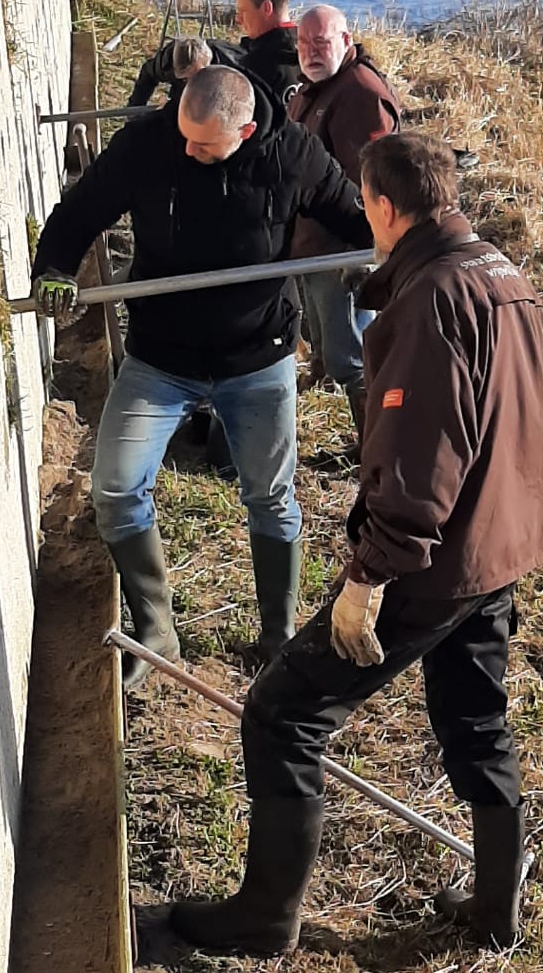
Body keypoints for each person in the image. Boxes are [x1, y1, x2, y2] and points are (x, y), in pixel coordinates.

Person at [167, 132, 543, 958]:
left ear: (384, 207)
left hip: (437, 556)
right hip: (501, 544)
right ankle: (495, 907)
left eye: (366, 204)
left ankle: (264, 917)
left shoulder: (426, 302)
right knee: (476, 716)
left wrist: (370, 574)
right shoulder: (503, 274)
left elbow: (420, 454)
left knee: (283, 714)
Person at [29, 65, 371, 670]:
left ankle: (276, 635)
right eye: (183, 134)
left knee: (270, 495)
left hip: (258, 357)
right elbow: (78, 214)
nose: (186, 149)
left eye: (202, 144)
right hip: (161, 356)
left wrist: (372, 261)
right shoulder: (148, 145)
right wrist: (53, 267)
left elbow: (355, 215)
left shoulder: (291, 154)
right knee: (115, 487)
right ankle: (157, 630)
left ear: (243, 131)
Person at [288, 5, 401, 431]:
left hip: (341, 250)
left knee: (350, 356)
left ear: (346, 41)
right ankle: (325, 377)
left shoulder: (359, 94)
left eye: (321, 42)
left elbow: (371, 183)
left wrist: (361, 256)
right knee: (325, 340)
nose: (310, 52)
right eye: (303, 43)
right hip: (312, 244)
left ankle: (378, 446)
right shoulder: (314, 88)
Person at [128, 0, 304, 113]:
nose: (238, 20)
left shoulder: (251, 68)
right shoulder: (312, 54)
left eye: (243, 12)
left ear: (266, 8)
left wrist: (166, 113)